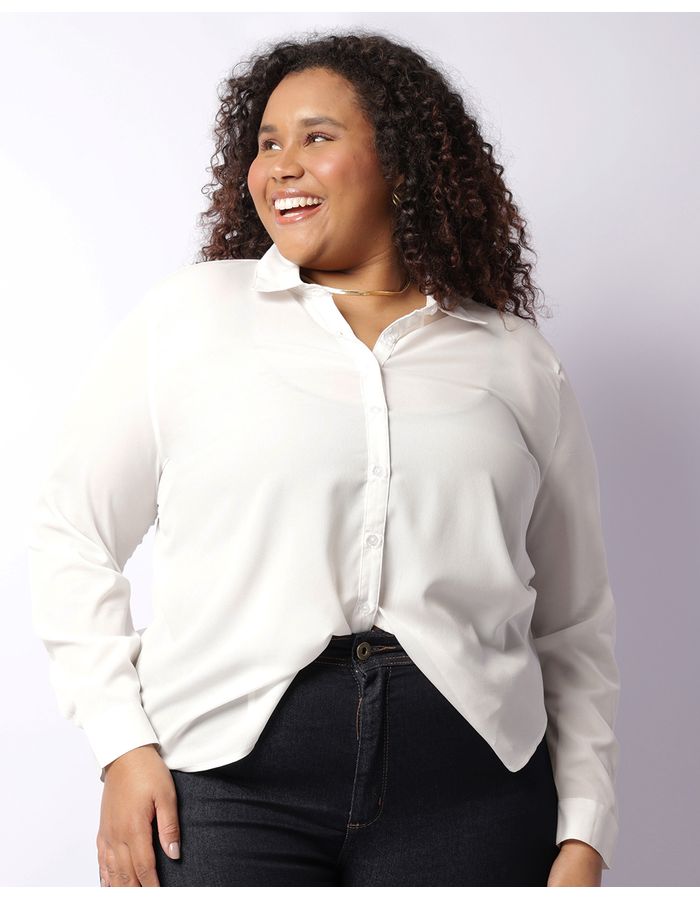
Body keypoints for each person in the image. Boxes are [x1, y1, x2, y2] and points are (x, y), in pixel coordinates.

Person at [27, 31, 620, 887]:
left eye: (316, 137)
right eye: (268, 143)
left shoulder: (515, 362)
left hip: (473, 794)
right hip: (225, 789)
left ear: (401, 162)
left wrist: (587, 828)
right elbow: (71, 534)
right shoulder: (191, 320)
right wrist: (122, 745)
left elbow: (573, 621)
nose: (282, 167)